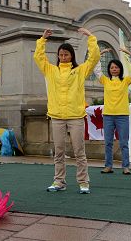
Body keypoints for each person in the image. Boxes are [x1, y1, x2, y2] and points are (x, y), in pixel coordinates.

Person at [33, 28, 100, 194]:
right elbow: (38, 57)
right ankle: (59, 181)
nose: (63, 57)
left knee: (79, 152)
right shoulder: (51, 70)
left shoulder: (79, 71)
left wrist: (91, 37)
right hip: (57, 116)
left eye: (66, 55)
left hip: (76, 116)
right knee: (59, 152)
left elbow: (94, 58)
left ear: (71, 56)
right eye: (61, 55)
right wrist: (42, 40)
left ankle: (84, 182)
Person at [94, 48, 131, 175]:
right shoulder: (105, 81)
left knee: (124, 143)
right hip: (108, 116)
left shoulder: (126, 80)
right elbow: (96, 69)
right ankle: (108, 166)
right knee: (108, 143)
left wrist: (130, 55)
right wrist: (100, 54)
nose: (114, 69)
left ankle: (126, 167)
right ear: (109, 69)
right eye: (112, 67)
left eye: (116, 67)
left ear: (120, 69)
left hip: (122, 116)